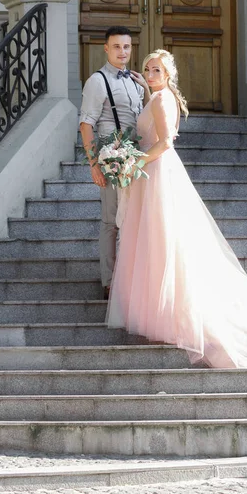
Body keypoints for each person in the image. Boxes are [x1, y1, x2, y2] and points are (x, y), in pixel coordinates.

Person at [106, 49, 247, 368]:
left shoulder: (160, 100)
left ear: (167, 74)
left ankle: (171, 313)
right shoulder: (159, 97)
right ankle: (160, 312)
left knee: (162, 240)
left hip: (156, 171)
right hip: (153, 172)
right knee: (157, 241)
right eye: (146, 69)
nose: (149, 73)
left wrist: (134, 161)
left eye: (155, 69)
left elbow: (165, 142)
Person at [80, 26, 149, 300]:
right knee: (111, 221)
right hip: (111, 160)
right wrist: (94, 164)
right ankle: (109, 282)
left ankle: (131, 277)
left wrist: (145, 87)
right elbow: (86, 124)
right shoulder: (97, 81)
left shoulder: (135, 82)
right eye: (117, 47)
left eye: (127, 47)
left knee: (134, 220)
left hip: (135, 159)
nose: (123, 52)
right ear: (106, 49)